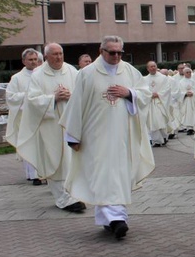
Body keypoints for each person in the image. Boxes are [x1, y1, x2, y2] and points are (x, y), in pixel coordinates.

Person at [60, 35, 155, 240]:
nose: (116, 56)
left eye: (120, 52)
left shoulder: (129, 70)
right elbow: (76, 105)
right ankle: (117, 219)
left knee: (117, 176)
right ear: (101, 51)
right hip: (95, 136)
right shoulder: (87, 74)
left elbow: (145, 94)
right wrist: (73, 135)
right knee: (102, 175)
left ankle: (108, 219)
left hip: (122, 136)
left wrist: (129, 92)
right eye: (112, 52)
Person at [16, 43, 85, 212]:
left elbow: (83, 93)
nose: (59, 57)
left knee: (72, 161)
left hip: (70, 123)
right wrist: (53, 98)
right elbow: (31, 100)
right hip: (50, 126)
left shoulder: (72, 71)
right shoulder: (38, 75)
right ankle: (63, 199)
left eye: (60, 53)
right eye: (54, 54)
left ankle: (73, 195)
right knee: (55, 160)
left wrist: (71, 95)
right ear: (46, 57)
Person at [5, 48, 42, 185]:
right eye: (30, 60)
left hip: (41, 116)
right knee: (29, 145)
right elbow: (10, 97)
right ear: (23, 61)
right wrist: (27, 96)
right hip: (26, 117)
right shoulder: (17, 78)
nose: (33, 62)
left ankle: (43, 173)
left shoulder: (42, 74)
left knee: (42, 146)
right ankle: (33, 175)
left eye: (35, 59)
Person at [144, 61, 174, 147]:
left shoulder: (163, 78)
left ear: (156, 67)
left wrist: (159, 94)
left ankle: (164, 137)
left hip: (160, 102)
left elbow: (167, 89)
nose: (153, 68)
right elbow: (142, 90)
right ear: (148, 68)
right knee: (153, 121)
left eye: (154, 66)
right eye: (151, 67)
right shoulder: (144, 79)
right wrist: (149, 95)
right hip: (150, 103)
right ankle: (156, 140)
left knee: (161, 120)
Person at [176, 68, 195, 134]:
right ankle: (189, 128)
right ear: (184, 73)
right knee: (188, 113)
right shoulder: (181, 82)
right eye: (187, 72)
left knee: (194, 112)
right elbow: (179, 92)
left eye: (189, 72)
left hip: (194, 98)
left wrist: (193, 92)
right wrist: (185, 93)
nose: (188, 73)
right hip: (186, 99)